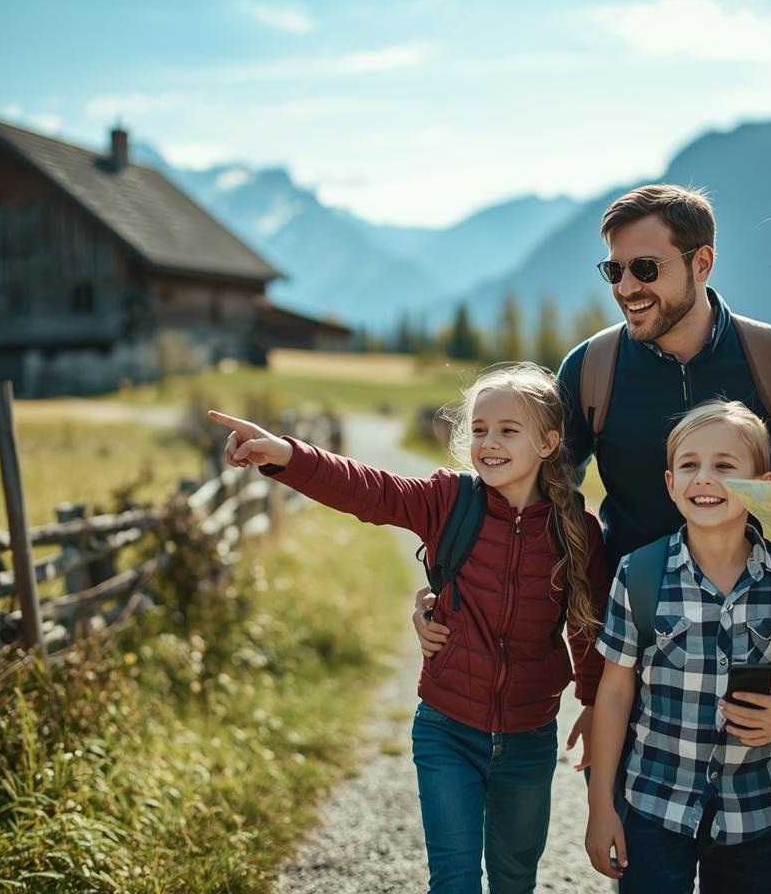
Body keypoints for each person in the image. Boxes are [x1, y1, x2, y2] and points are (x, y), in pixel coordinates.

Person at [415, 184, 771, 768]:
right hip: (633, 644)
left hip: (753, 640)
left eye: (645, 268)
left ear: (702, 262)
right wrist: (445, 585)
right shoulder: (591, 367)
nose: (626, 288)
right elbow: (526, 501)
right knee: (638, 850)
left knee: (755, 841)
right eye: (614, 270)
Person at [209, 362, 610, 894]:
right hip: (447, 729)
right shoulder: (450, 501)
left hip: (529, 740)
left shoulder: (576, 530)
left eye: (508, 431)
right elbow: (370, 490)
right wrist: (284, 454)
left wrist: (590, 701)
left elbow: (589, 626)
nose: (489, 443)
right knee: (454, 880)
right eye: (481, 430)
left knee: (516, 880)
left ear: (547, 443)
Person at [583, 400, 771, 893]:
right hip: (655, 806)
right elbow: (613, 695)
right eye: (689, 465)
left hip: (756, 811)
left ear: (762, 486)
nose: (704, 477)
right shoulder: (639, 573)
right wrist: (601, 806)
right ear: (670, 484)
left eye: (724, 466)